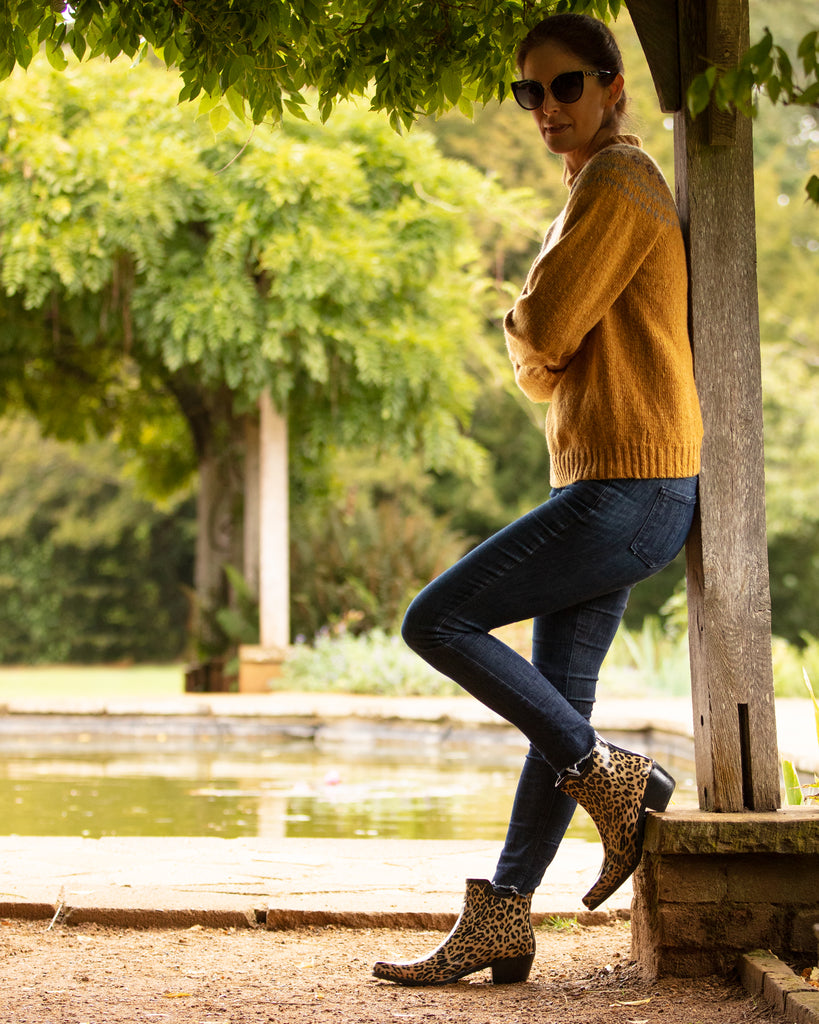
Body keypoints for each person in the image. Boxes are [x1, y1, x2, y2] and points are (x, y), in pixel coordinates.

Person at [372, 12, 703, 987]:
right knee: (562, 704)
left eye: (565, 87)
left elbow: (544, 327)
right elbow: (543, 370)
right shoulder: (587, 194)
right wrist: (537, 333)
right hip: (612, 479)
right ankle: (505, 918)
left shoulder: (619, 179)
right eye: (531, 92)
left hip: (630, 487)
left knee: (435, 619)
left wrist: (522, 314)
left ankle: (616, 775)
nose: (546, 108)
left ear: (613, 90)